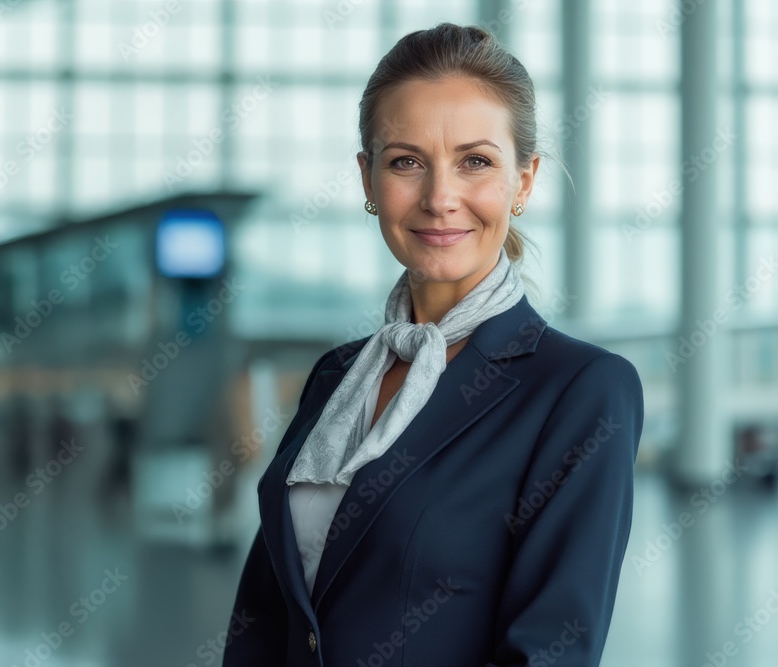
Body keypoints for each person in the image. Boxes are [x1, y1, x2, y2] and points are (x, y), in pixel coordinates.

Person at [221, 22, 644, 667]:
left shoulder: (581, 389)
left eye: (475, 161)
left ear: (523, 181)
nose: (440, 197)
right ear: (368, 180)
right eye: (406, 162)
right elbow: (269, 611)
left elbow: (551, 649)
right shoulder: (337, 376)